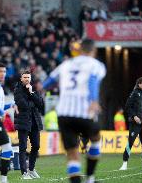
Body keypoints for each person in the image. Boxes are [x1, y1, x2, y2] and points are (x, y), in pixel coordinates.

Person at [43, 38, 106, 183]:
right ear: (93, 50)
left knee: (72, 154)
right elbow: (92, 81)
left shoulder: (66, 64)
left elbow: (48, 82)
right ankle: (90, 178)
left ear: (80, 49)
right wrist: (94, 100)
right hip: (84, 112)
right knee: (96, 140)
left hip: (64, 114)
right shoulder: (96, 65)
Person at [14, 70, 44, 179]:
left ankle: (31, 169)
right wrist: (33, 101)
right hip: (23, 122)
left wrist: (31, 93)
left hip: (34, 121)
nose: (27, 79)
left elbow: (41, 103)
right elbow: (23, 105)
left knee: (36, 146)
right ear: (21, 79)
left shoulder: (33, 89)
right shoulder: (17, 90)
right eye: (25, 77)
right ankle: (24, 173)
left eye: (28, 77)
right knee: (23, 148)